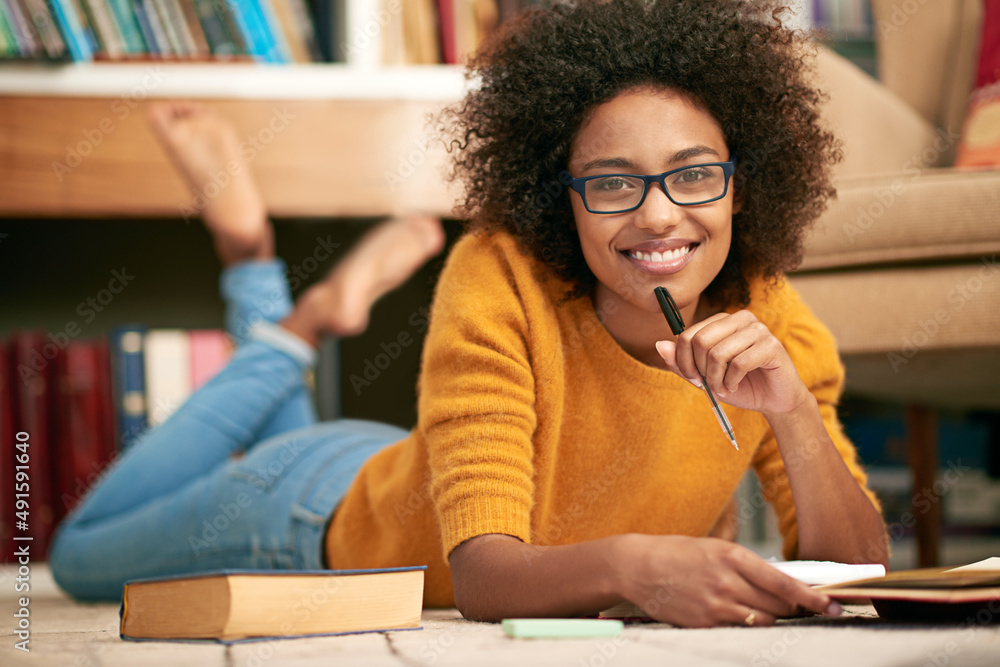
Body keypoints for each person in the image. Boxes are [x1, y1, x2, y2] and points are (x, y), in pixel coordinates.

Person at [51, 0, 889, 629]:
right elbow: (485, 576)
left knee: (271, 448)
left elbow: (861, 570)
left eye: (695, 173)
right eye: (611, 182)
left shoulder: (773, 319)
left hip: (411, 470)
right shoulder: (498, 277)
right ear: (563, 201)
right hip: (312, 518)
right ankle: (288, 314)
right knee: (76, 556)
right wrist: (635, 566)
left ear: (744, 182)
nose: (661, 215)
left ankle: (278, 294)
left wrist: (793, 418)